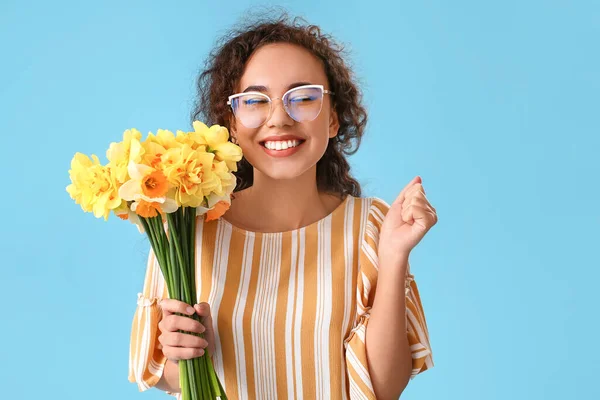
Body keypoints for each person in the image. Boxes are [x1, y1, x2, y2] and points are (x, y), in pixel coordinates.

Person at [128, 13, 437, 400]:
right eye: (255, 101)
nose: (278, 118)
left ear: (333, 118)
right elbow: (164, 375)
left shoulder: (372, 225)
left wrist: (394, 256)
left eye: (304, 98)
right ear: (232, 124)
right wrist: (180, 354)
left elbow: (384, 387)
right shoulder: (188, 225)